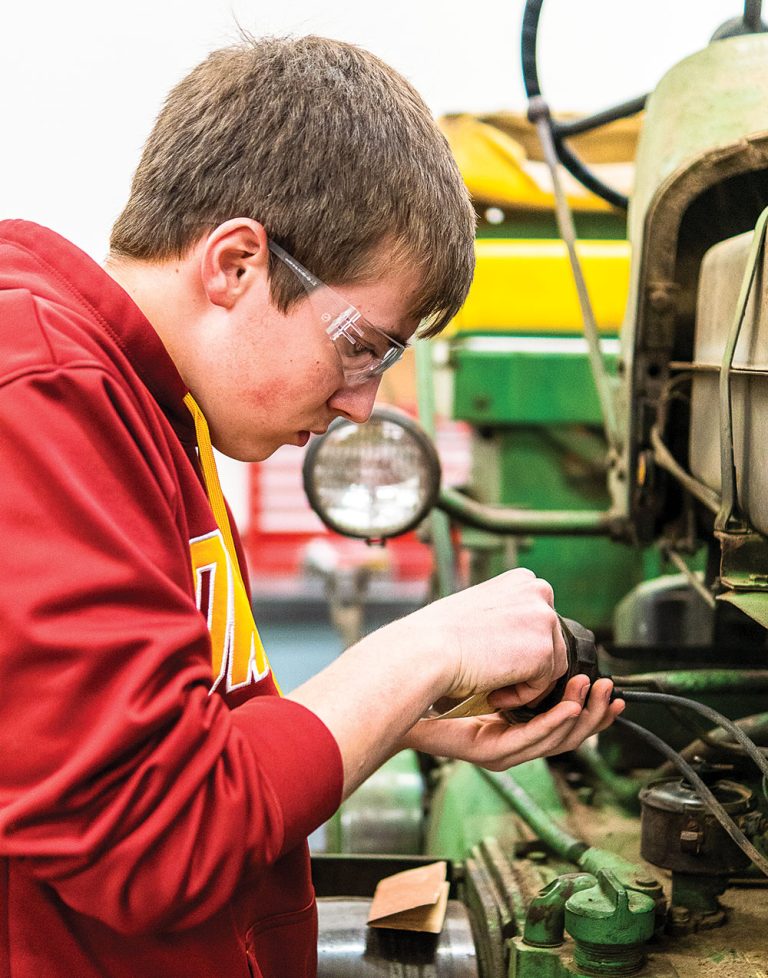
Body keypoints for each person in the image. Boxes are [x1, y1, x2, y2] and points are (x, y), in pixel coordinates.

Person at [0, 34, 623, 978]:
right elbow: (155, 837)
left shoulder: (157, 405)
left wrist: (390, 716)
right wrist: (420, 651)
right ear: (238, 263)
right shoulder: (42, 391)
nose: (361, 403)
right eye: (363, 345)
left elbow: (161, 733)